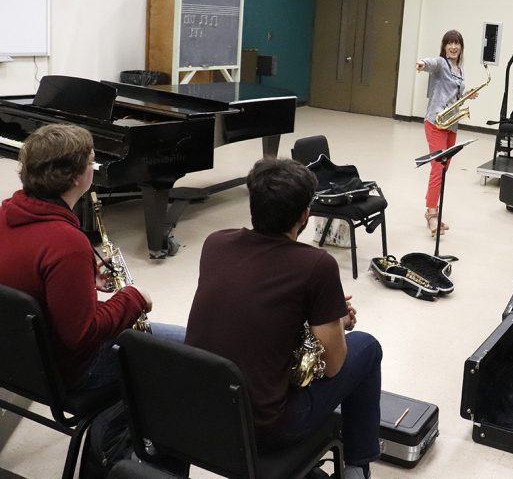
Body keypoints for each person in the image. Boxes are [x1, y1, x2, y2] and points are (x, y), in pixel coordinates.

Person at [185, 158, 382, 479]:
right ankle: (358, 467)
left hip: (206, 413)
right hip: (267, 428)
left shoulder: (215, 242)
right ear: (305, 214)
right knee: (368, 348)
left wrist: (315, 316)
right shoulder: (317, 265)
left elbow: (252, 312)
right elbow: (332, 366)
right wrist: (336, 324)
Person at [0, 124, 181, 391]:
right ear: (75, 177)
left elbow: (27, 278)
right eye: (92, 162)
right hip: (70, 373)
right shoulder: (67, 243)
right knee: (194, 349)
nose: (94, 169)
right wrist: (134, 297)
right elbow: (83, 336)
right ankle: (115, 426)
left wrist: (79, 278)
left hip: (18, 360)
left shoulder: (6, 213)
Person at [415, 29, 472, 236]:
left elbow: (453, 94)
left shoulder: (460, 70)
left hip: (452, 124)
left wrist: (466, 96)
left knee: (444, 168)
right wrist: (422, 64)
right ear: (445, 46)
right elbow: (430, 63)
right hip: (436, 123)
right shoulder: (441, 64)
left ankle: (432, 208)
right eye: (450, 43)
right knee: (437, 169)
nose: (454, 46)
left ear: (461, 46)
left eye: (457, 43)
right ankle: (431, 214)